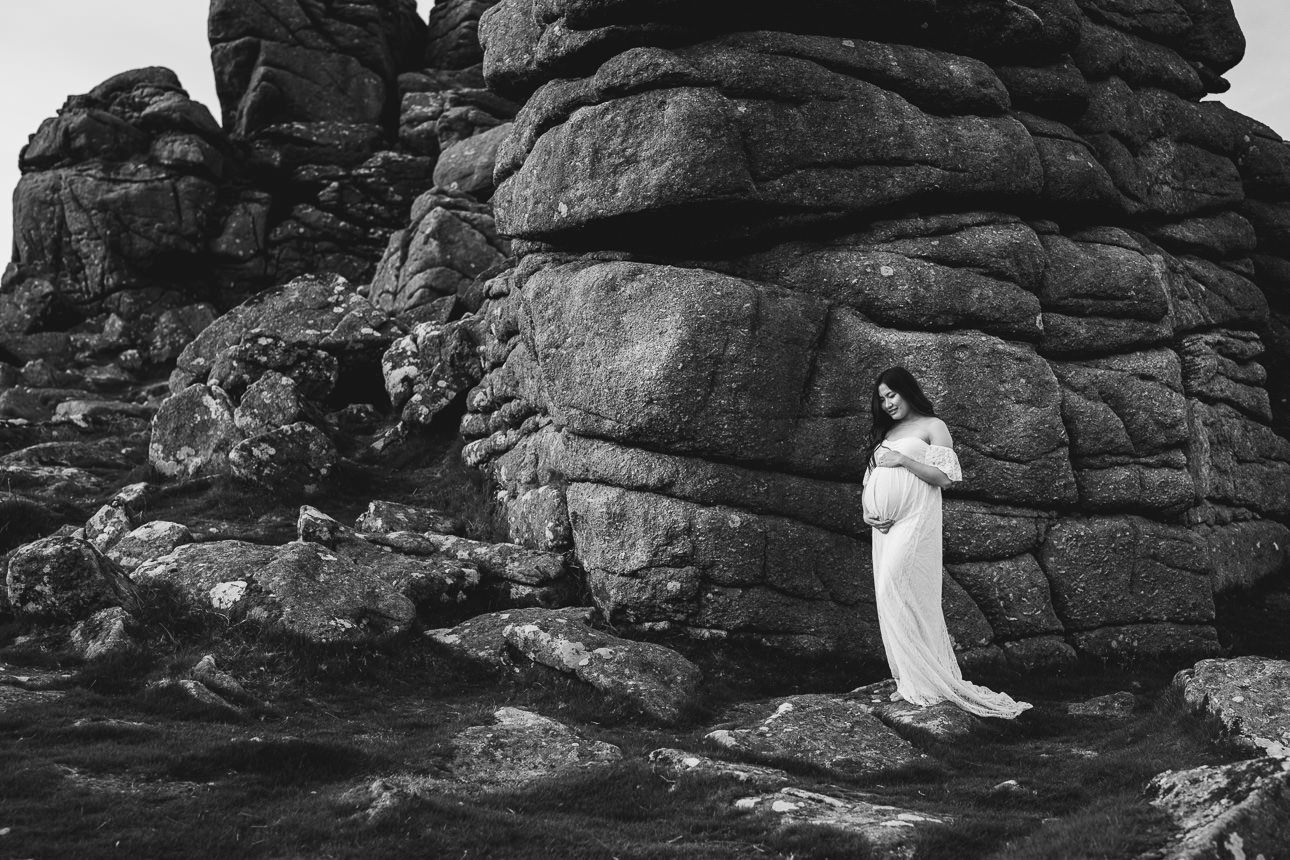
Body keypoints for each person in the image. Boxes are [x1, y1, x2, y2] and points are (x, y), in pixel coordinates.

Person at [860, 367, 1031, 719]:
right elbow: (869, 479)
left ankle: (928, 680)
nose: (888, 403)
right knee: (889, 597)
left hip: (914, 522)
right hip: (884, 529)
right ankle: (910, 679)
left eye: (892, 394)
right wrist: (867, 513)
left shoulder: (933, 426)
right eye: (882, 398)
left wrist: (903, 459)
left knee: (899, 587)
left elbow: (946, 478)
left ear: (908, 392)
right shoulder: (887, 432)